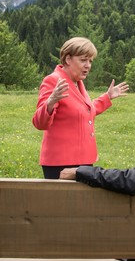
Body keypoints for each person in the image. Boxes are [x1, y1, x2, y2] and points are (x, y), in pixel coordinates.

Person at [32, 37, 129, 180]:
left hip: (84, 161)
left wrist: (107, 97)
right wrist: (50, 102)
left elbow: (84, 111)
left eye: (90, 61)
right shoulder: (53, 80)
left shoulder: (78, 83)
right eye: (83, 60)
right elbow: (39, 123)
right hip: (61, 163)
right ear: (68, 59)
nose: (88, 65)